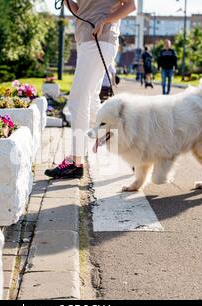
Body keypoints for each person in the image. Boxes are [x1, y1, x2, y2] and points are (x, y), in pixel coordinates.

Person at [45, 0, 136, 179]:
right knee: (93, 101)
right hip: (86, 41)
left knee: (78, 101)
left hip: (100, 40)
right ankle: (132, 149)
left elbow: (131, 6)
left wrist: (105, 21)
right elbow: (81, 11)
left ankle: (75, 162)